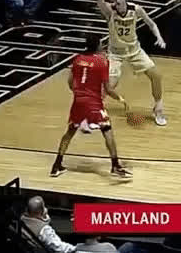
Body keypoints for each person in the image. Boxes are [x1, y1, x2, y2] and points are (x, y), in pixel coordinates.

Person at [50, 34, 132, 178]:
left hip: (78, 102)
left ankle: (56, 165)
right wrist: (121, 99)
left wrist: (79, 93)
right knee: (107, 131)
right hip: (94, 103)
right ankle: (115, 165)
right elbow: (108, 89)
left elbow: (70, 82)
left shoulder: (77, 60)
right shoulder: (102, 62)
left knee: (69, 132)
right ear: (98, 46)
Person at [96, 0, 168, 126]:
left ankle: (158, 107)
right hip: (115, 53)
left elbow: (151, 24)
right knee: (110, 85)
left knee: (156, 75)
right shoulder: (110, 11)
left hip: (134, 50)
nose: (118, 1)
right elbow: (100, 3)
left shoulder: (136, 9)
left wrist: (159, 37)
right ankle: (95, 109)